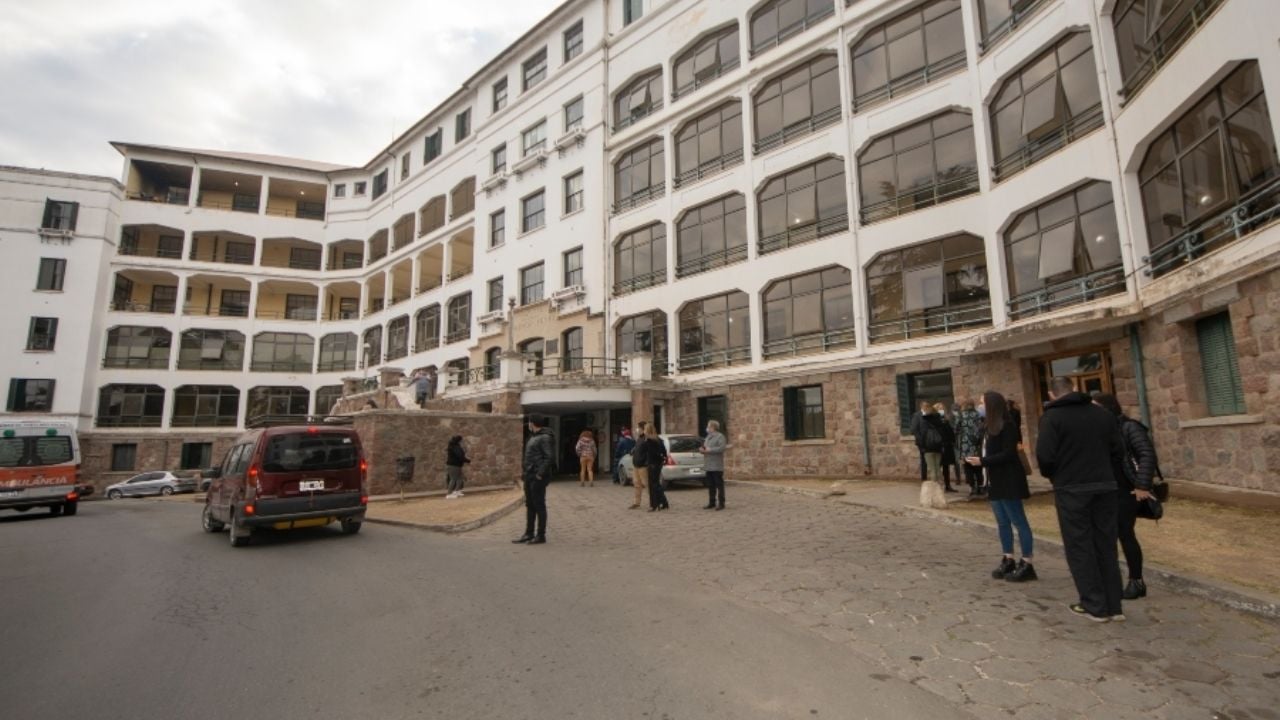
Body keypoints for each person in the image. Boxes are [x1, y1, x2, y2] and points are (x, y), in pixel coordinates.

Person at [1036, 377, 1126, 622]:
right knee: (1106, 543)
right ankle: (1114, 604)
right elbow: (1118, 449)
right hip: (1104, 485)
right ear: (1074, 389)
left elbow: (1045, 456)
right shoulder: (1102, 415)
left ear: (1052, 394)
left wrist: (1056, 475)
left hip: (1071, 488)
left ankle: (1094, 604)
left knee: (1079, 545)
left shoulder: (1052, 418)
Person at [965, 391, 1036, 582]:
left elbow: (1008, 454)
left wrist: (983, 461)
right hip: (993, 481)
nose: (980, 406)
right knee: (1002, 522)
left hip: (1008, 480)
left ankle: (1027, 561)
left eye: (982, 403)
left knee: (1018, 521)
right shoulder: (987, 427)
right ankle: (1008, 557)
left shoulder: (1007, 426)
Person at [1093, 393, 1157, 601]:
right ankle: (1110, 580)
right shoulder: (1099, 430)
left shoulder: (1129, 427)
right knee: (1107, 535)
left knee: (1125, 534)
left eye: (1095, 407)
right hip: (1106, 490)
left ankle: (1136, 580)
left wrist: (1142, 485)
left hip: (1126, 490)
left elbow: (1146, 453)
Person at [514, 415, 554, 545]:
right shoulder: (533, 436)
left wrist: (540, 474)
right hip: (529, 475)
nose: (528, 425)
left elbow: (549, 457)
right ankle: (529, 533)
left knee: (539, 505)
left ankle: (541, 535)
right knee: (530, 505)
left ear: (533, 423)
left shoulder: (545, 437)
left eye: (529, 422)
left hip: (537, 476)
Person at [918, 406, 948, 508]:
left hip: (928, 448)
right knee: (938, 468)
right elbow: (943, 434)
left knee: (932, 469)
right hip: (938, 447)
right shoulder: (939, 421)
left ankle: (935, 491)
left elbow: (922, 435)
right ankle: (941, 488)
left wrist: (922, 446)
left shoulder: (924, 421)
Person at [953, 400, 984, 497]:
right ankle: (980, 486)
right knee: (977, 465)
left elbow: (956, 428)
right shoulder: (977, 414)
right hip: (976, 443)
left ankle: (972, 486)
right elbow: (981, 427)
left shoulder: (961, 415)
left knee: (968, 466)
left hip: (965, 443)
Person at [640, 423, 670, 511]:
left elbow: (651, 453)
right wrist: (662, 458)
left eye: (645, 429)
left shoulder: (649, 441)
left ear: (647, 430)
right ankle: (664, 502)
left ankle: (654, 505)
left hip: (652, 464)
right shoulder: (659, 439)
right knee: (657, 484)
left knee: (652, 485)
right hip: (658, 464)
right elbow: (664, 452)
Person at [700, 420, 727, 510]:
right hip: (708, 465)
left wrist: (710, 450)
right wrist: (702, 450)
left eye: (708, 426)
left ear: (713, 427)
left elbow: (721, 448)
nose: (707, 428)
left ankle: (721, 503)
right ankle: (712, 502)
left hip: (716, 466)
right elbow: (705, 447)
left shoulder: (720, 436)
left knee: (719, 485)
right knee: (710, 485)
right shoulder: (707, 437)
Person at [934, 402, 959, 493]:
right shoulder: (934, 421)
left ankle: (947, 485)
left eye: (942, 408)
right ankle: (938, 486)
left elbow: (950, 432)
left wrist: (952, 440)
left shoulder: (946, 420)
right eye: (939, 408)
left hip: (947, 446)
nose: (941, 410)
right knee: (938, 467)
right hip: (939, 446)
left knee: (946, 467)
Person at [909, 400, 931, 482]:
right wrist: (920, 439)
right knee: (924, 460)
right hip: (922, 441)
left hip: (930, 440)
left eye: (928, 406)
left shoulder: (930, 415)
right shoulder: (917, 415)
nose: (927, 407)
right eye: (925, 406)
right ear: (921, 406)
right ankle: (924, 478)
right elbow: (913, 429)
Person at [629, 423, 650, 509]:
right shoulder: (639, 439)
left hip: (643, 466)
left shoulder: (646, 439)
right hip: (636, 466)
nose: (637, 429)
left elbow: (648, 452)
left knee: (647, 484)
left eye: (638, 428)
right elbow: (637, 449)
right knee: (637, 484)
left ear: (643, 429)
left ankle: (652, 502)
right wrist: (633, 451)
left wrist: (646, 462)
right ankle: (636, 503)